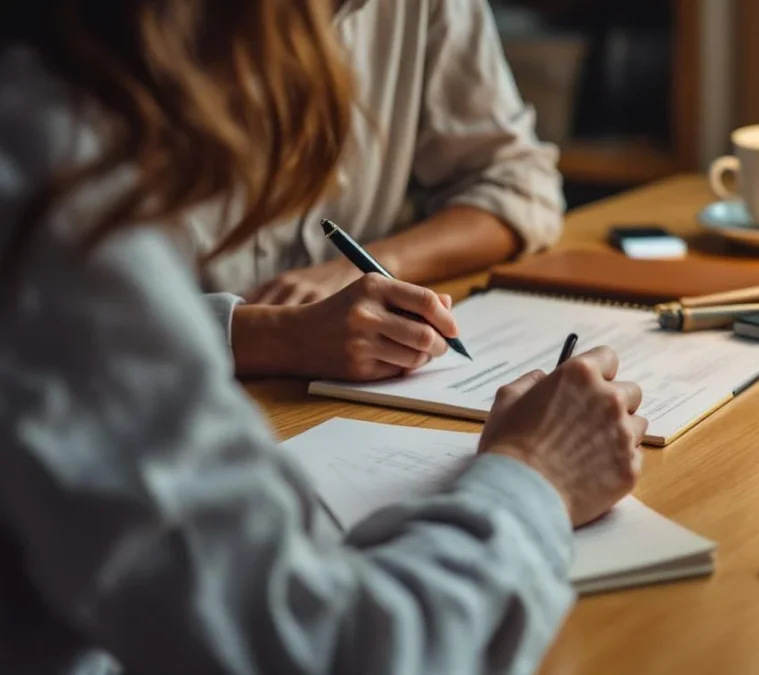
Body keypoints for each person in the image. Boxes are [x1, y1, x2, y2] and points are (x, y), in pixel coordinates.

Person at [0, 2, 646, 674]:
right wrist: (538, 473)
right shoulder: (52, 199)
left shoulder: (56, 135)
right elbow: (335, 650)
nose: (327, 36)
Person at [194, 0, 564, 382]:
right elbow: (126, 325)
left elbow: (521, 183)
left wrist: (363, 268)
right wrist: (277, 337)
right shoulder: (151, 25)